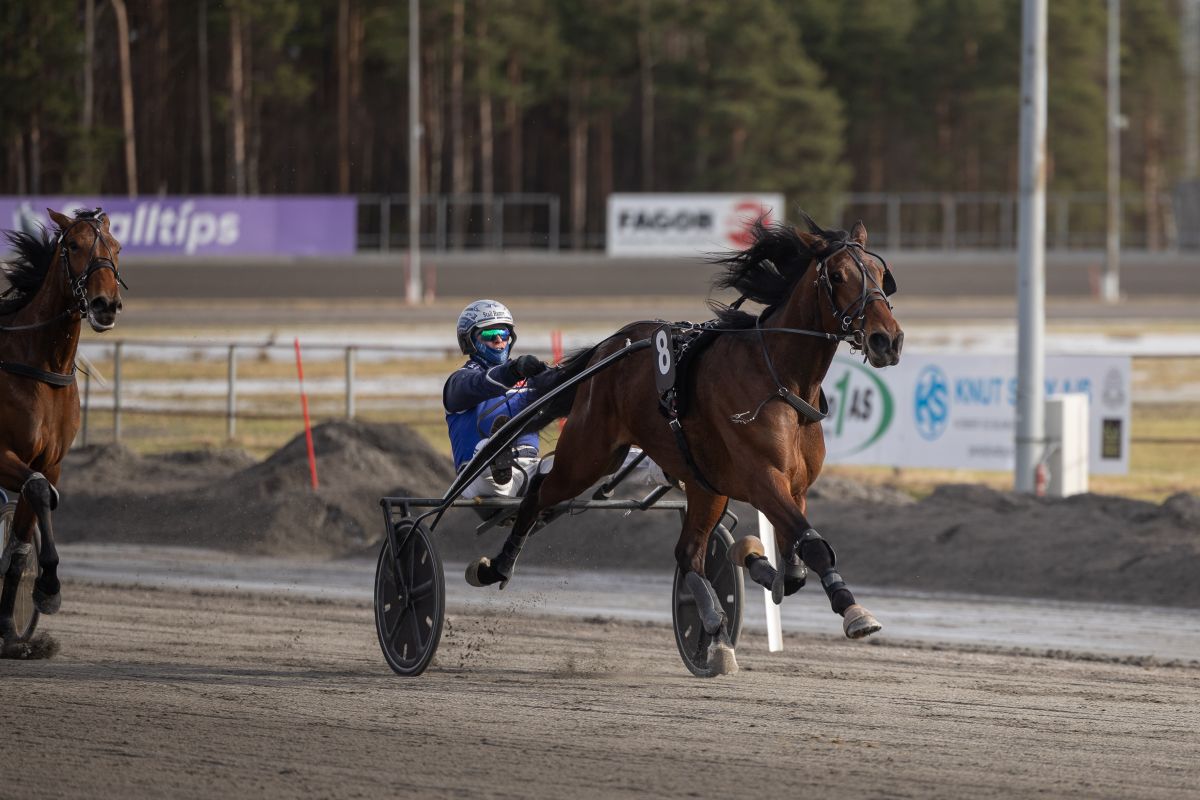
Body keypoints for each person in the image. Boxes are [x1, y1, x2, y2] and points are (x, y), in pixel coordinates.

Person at [443, 299, 551, 499]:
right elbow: (482, 384)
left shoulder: (530, 379)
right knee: (486, 449)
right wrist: (513, 371)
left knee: (567, 462)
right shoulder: (458, 383)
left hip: (530, 469)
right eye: (490, 334)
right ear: (470, 341)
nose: (499, 341)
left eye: (504, 334)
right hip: (476, 474)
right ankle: (497, 452)